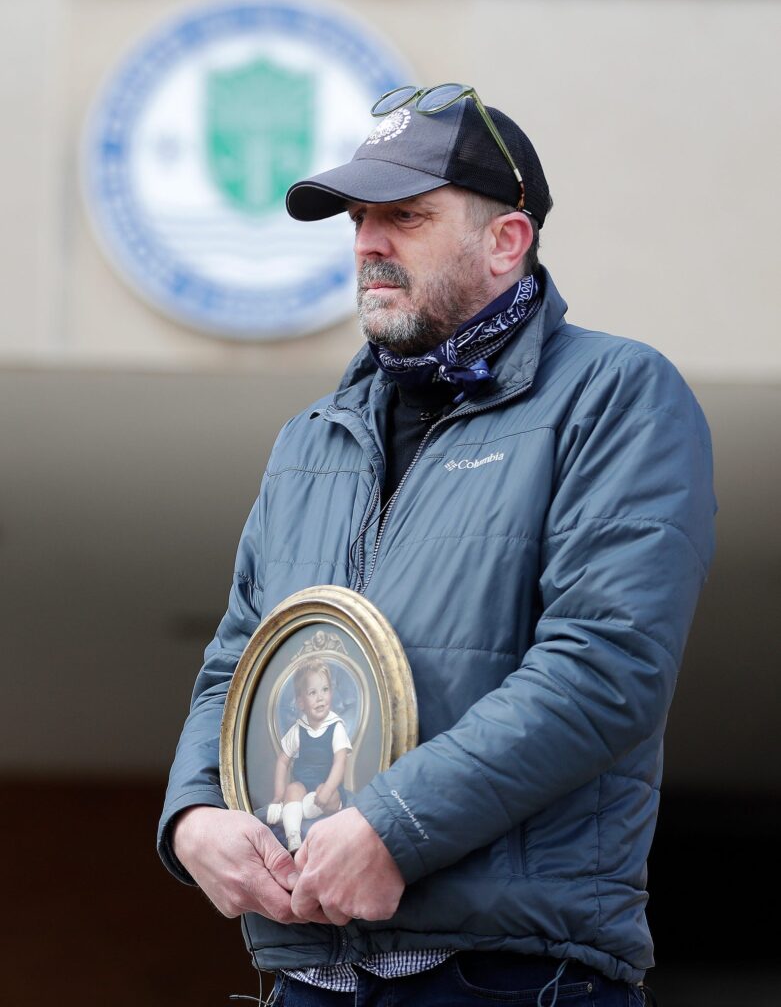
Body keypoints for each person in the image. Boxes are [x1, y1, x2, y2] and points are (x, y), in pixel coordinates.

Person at [158, 84, 715, 1006]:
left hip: (511, 975)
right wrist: (193, 817)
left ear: (507, 242)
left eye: (405, 217)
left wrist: (391, 827)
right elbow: (236, 663)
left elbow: (606, 664)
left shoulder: (616, 394)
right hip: (308, 976)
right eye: (359, 218)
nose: (369, 242)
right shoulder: (312, 436)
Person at [265, 659, 352, 854]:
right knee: (292, 789)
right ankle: (293, 837)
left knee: (329, 798)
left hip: (328, 785)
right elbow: (283, 761)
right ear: (301, 702)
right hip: (303, 784)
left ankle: (291, 811)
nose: (320, 698)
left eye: (325, 689)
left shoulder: (335, 727)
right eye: (313, 693)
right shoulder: (298, 729)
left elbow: (340, 761)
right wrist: (279, 796)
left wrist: (328, 788)